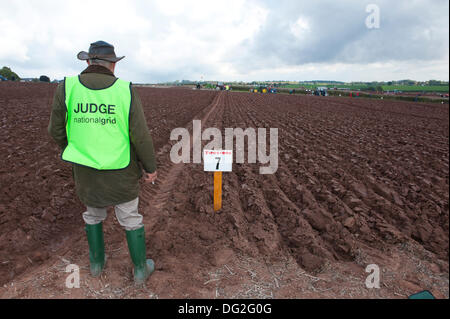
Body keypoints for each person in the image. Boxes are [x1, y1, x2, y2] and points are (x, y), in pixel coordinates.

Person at [48, 41, 158, 284]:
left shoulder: (67, 87)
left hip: (86, 171)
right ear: (114, 65)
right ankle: (140, 269)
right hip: (121, 171)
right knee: (130, 218)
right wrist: (149, 168)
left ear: (88, 62)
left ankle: (97, 264)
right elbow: (140, 135)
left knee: (93, 215)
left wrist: (76, 150)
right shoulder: (124, 90)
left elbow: (55, 130)